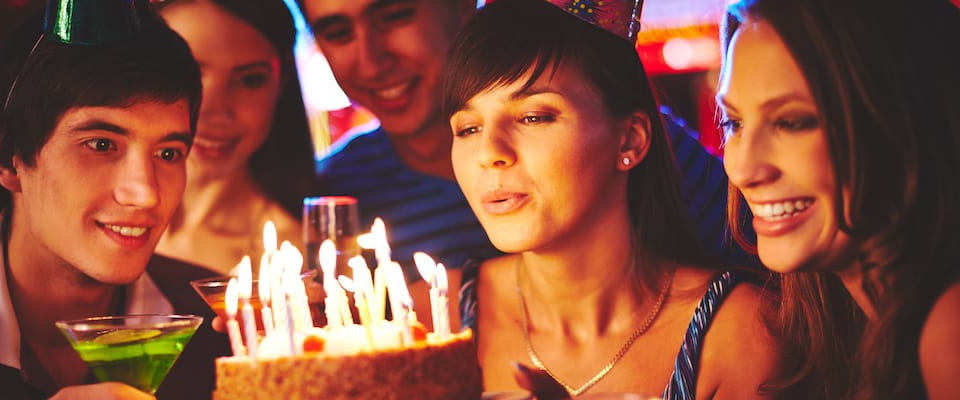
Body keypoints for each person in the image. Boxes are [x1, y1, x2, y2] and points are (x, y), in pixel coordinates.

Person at [445, 0, 781, 398]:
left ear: (630, 139)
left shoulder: (740, 336)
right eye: (468, 128)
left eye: (533, 117)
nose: (489, 153)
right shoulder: (430, 320)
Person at [294, 0, 750, 282]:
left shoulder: (634, 143)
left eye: (395, 15)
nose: (371, 60)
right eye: (337, 32)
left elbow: (766, 271)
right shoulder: (334, 196)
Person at [0, 1, 229, 399]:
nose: (145, 193)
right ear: (6, 158)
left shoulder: (216, 325)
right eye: (101, 144)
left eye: (168, 153)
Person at [717, 0, 960, 398]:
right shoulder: (847, 328)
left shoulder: (949, 328)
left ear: (900, 123)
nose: (743, 170)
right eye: (735, 123)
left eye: (792, 123)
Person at [154, 0, 320, 274]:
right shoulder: (88, 215)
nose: (215, 112)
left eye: (250, 80)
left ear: (281, 86)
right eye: (187, 73)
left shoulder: (287, 260)